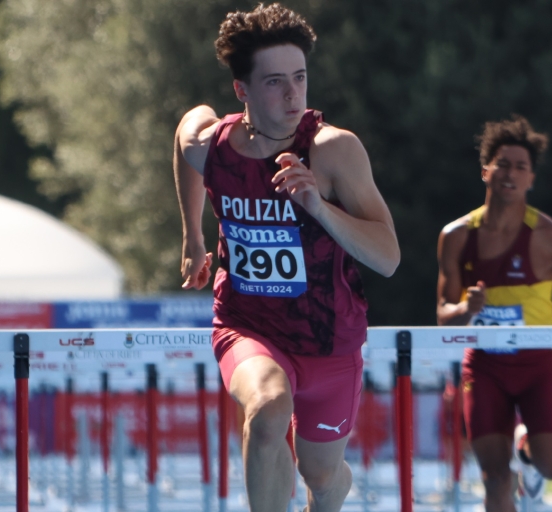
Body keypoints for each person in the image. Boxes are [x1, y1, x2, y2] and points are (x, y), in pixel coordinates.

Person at [173, 4, 399, 511]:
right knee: (268, 407)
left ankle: (334, 485)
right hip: (247, 324)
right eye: (275, 82)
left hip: (329, 339)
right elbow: (187, 128)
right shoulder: (216, 147)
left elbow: (388, 257)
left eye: (299, 77)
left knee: (319, 475)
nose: (293, 94)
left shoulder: (332, 150)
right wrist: (193, 234)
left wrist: (319, 207)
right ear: (242, 90)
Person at [436, 116, 552, 511]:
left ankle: (527, 452)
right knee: (495, 477)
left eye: (521, 167)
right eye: (502, 163)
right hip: (483, 366)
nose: (510, 173)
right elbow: (443, 315)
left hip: (537, 364)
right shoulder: (457, 236)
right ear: (485, 171)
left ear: (531, 179)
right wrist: (468, 307)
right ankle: (512, 464)